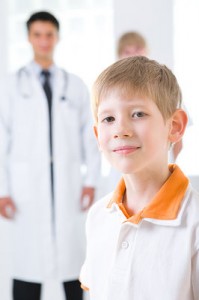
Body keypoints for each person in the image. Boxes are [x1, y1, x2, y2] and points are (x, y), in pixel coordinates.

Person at [80, 56, 199, 300]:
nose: (120, 130)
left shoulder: (194, 222)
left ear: (175, 126)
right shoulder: (98, 216)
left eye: (137, 114)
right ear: (97, 134)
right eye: (108, 119)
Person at [0, 11, 100, 300]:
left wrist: (91, 180)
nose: (44, 41)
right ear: (29, 38)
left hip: (68, 187)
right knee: (27, 266)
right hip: (25, 191)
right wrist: (3, 190)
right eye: (37, 35)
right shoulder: (9, 87)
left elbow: (90, 138)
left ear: (57, 38)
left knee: (73, 267)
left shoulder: (76, 85)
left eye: (49, 35)